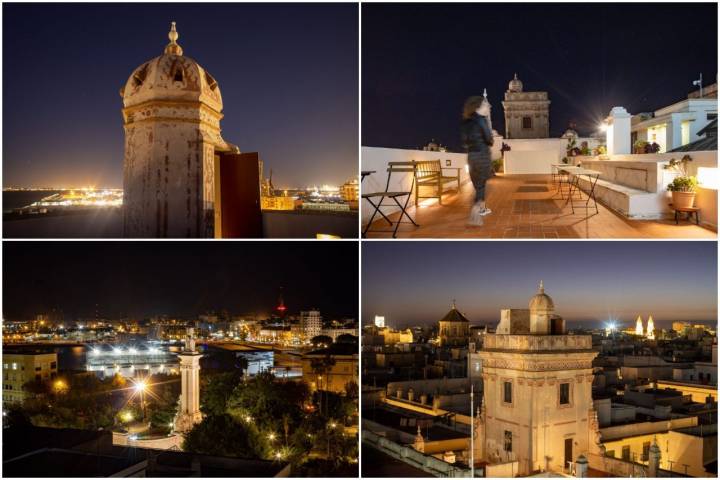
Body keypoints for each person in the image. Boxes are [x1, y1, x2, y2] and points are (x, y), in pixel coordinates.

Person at [461, 94, 495, 224]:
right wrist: (489, 140)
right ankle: (476, 210)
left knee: (478, 185)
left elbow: (464, 142)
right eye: (485, 104)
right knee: (482, 186)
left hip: (471, 157)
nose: (487, 106)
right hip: (482, 155)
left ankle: (482, 208)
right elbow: (489, 139)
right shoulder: (482, 120)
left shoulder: (466, 122)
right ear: (478, 107)